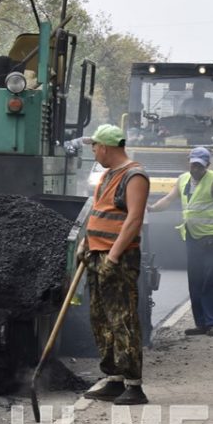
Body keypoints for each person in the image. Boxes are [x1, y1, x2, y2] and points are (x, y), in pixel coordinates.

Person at [79, 124, 151, 405]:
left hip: (117, 259)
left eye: (95, 146)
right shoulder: (107, 175)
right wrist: (86, 244)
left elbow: (133, 220)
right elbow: (98, 212)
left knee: (123, 320)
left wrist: (112, 257)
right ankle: (113, 378)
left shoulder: (135, 176)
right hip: (97, 255)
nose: (94, 151)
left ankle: (134, 384)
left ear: (107, 147)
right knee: (101, 320)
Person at [148, 146, 213, 338]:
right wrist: (151, 208)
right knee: (195, 281)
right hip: (193, 237)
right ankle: (201, 324)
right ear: (189, 162)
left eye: (200, 166)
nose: (196, 169)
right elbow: (169, 199)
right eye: (193, 164)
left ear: (207, 165)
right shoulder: (183, 179)